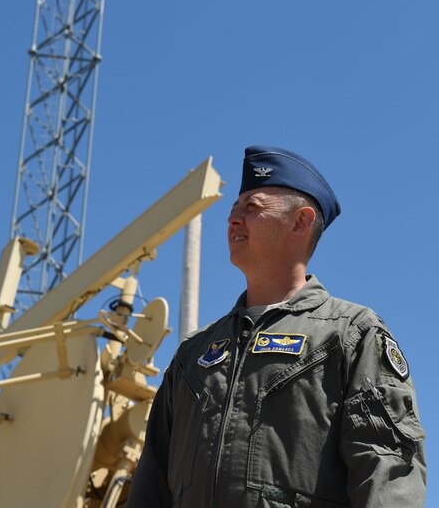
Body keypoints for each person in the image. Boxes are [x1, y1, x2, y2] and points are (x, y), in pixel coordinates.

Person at [128, 146, 426, 507]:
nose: (233, 219)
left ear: (300, 222)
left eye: (252, 208)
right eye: (234, 210)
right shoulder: (192, 356)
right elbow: (150, 487)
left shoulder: (351, 335)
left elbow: (386, 470)